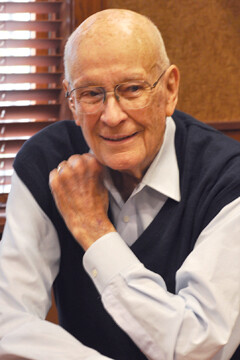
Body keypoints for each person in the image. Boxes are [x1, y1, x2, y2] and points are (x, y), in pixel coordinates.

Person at [0, 8, 240, 360]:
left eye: (131, 89)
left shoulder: (227, 177)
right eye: (91, 94)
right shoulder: (46, 163)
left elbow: (199, 345)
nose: (112, 116)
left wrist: (94, 230)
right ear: (71, 100)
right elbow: (7, 320)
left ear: (170, 89)